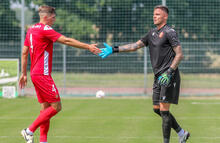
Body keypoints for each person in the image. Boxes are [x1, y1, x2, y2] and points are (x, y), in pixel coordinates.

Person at [99, 5, 190, 143]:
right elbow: (135, 46)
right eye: (154, 14)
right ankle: (182, 133)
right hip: (158, 77)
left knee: (164, 111)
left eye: (158, 14)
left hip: (168, 76)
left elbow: (179, 55)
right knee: (156, 109)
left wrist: (169, 72)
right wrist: (114, 49)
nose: (154, 16)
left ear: (165, 17)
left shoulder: (170, 32)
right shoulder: (151, 33)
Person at [19, 5, 100, 143]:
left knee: (45, 109)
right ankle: (29, 130)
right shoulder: (46, 29)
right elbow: (66, 40)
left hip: (34, 74)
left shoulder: (31, 29)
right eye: (53, 17)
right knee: (57, 107)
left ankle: (43, 141)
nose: (54, 20)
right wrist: (88, 46)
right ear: (46, 17)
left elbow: (24, 52)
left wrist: (23, 73)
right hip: (42, 74)